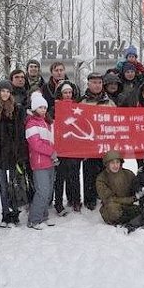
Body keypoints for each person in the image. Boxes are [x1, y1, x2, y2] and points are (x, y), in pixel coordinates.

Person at [0, 79, 28, 227]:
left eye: (8, 91)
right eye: (3, 91)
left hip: (13, 153)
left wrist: (20, 153)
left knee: (13, 184)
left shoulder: (17, 109)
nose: (5, 94)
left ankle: (14, 213)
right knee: (2, 185)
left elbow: (20, 133)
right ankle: (5, 213)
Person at [79, 72, 115, 210]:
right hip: (88, 143)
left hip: (105, 143)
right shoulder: (82, 101)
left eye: (99, 82)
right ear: (88, 84)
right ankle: (90, 199)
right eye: (94, 82)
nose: (97, 85)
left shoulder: (109, 102)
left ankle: (105, 196)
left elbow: (116, 120)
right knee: (89, 173)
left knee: (106, 172)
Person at [25, 92, 57, 229]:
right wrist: (52, 152)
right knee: (42, 191)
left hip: (50, 161)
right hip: (39, 163)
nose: (43, 110)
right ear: (34, 108)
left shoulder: (46, 123)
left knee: (48, 191)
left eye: (44, 107)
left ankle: (43, 216)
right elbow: (35, 144)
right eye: (40, 107)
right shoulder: (31, 123)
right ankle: (34, 219)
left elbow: (52, 141)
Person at [96, 150, 143, 233]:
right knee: (112, 210)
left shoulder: (128, 174)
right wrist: (131, 199)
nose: (115, 165)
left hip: (128, 207)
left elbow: (137, 187)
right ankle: (131, 221)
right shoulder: (101, 179)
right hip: (113, 208)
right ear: (107, 164)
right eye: (112, 163)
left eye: (117, 162)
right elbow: (109, 199)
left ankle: (131, 223)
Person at [53, 81, 82, 213]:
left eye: (70, 92)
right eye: (65, 92)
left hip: (74, 146)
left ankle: (76, 200)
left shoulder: (78, 107)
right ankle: (58, 202)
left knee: (75, 176)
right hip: (60, 147)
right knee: (60, 178)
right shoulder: (55, 107)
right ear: (61, 93)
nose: (68, 95)